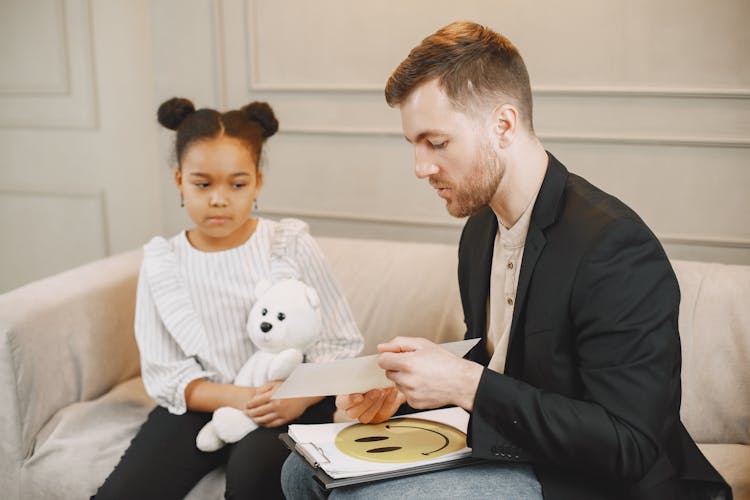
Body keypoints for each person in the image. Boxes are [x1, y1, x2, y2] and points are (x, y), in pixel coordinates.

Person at [281, 21, 731, 500]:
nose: (420, 167)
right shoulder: (479, 231)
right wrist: (409, 387)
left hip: (595, 481)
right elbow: (510, 362)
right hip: (522, 450)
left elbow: (629, 444)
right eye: (413, 144)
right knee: (298, 471)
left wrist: (465, 383)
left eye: (437, 143)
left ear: (503, 125)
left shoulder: (614, 247)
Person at [93, 98, 364, 500]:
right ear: (179, 181)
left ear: (257, 182)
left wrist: (296, 397)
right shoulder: (163, 263)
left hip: (286, 400)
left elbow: (341, 343)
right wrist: (238, 398)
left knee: (256, 478)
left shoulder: (288, 243)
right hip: (206, 400)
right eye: (202, 184)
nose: (219, 199)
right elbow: (166, 372)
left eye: (237, 184)